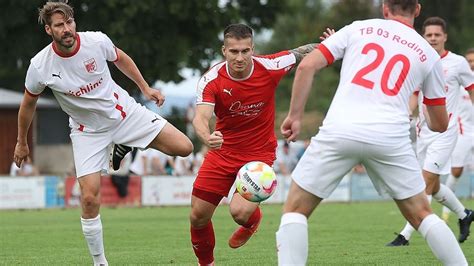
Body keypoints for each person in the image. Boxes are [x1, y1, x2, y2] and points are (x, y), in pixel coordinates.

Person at [275, 1, 468, 265]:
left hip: (340, 130)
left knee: (295, 210)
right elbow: (439, 123)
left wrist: (295, 116)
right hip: (390, 138)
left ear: (385, 8)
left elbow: (307, 66)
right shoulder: (428, 54)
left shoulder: (358, 28)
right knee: (422, 215)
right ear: (418, 10)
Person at [13, 2, 193, 265]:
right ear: (48, 30)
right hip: (87, 133)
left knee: (185, 147)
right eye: (59, 25)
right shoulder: (40, 66)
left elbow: (121, 58)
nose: (67, 29)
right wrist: (21, 143)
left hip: (124, 114)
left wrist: (145, 88)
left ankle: (123, 145)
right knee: (88, 197)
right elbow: (28, 104)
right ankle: (100, 262)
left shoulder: (96, 41)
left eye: (69, 22)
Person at [190, 23, 316, 265]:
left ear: (253, 49)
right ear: (224, 50)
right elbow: (201, 117)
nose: (240, 57)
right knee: (198, 216)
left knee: (238, 213)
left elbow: (304, 51)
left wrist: (339, 41)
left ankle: (251, 221)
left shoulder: (270, 66)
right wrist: (206, 137)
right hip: (222, 152)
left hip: (258, 155)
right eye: (234, 51)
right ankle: (206, 264)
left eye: (245, 51)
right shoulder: (211, 80)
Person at [387, 17, 474, 247]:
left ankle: (405, 235)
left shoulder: (457, 63)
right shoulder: (420, 60)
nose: (433, 38)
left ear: (445, 37)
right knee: (433, 187)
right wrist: (407, 112)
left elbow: (472, 89)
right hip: (423, 132)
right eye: (429, 35)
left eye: (437, 35)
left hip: (446, 131)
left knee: (423, 182)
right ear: (423, 37)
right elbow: (415, 93)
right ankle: (465, 214)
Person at [441, 48, 474, 221]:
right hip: (463, 133)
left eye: (473, 60)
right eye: (469, 60)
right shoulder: (460, 85)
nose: (471, 63)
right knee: (456, 171)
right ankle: (446, 213)